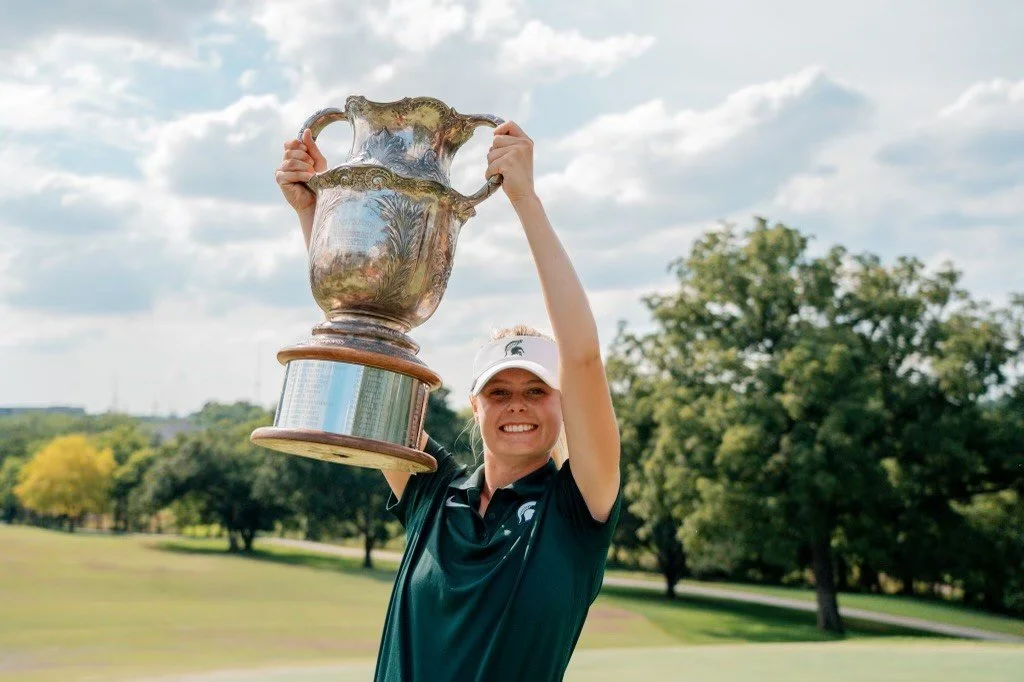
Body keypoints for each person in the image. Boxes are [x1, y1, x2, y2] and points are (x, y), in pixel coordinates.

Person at [276, 119, 622, 681]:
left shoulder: (578, 510)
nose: (517, 405)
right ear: (475, 406)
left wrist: (525, 200)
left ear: (564, 406)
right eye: (500, 391)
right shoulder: (432, 488)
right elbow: (364, 339)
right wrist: (318, 214)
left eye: (538, 390)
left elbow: (583, 360)